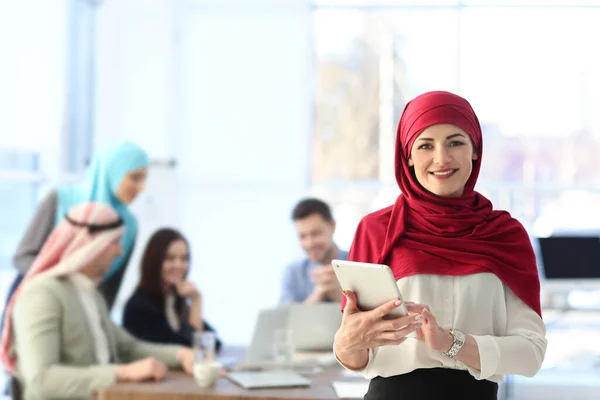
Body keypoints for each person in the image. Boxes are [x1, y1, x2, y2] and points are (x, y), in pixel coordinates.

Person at [333, 91, 547, 400]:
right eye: (425, 145)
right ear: (407, 155)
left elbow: (531, 354)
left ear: (475, 149)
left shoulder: (505, 235)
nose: (441, 158)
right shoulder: (376, 230)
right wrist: (344, 343)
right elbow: (360, 356)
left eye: (455, 142)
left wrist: (450, 342)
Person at [0, 203, 195, 400]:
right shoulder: (42, 294)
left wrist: (181, 355)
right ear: (91, 245)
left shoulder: (90, 294)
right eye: (115, 242)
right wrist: (122, 373)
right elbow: (41, 380)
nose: (120, 251)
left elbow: (128, 348)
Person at [6, 141, 149, 311]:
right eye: (134, 177)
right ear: (113, 172)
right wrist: (64, 286)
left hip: (79, 315)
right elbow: (22, 257)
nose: (141, 187)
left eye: (144, 179)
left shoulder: (129, 227)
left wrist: (100, 329)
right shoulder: (60, 199)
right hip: (33, 303)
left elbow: (109, 290)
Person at [122, 228, 222, 351]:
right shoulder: (140, 307)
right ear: (154, 261)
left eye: (184, 259)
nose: (178, 265)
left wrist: (196, 299)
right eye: (170, 258)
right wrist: (196, 301)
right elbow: (192, 349)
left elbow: (214, 343)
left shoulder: (174, 298)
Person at [280, 198, 349, 304]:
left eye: (315, 233)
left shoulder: (357, 262)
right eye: (302, 236)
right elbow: (286, 318)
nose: (309, 243)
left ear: (332, 226)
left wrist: (343, 296)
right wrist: (318, 294)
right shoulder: (293, 273)